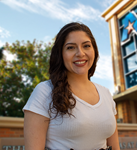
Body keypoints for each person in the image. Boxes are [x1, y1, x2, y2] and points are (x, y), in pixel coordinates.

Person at [23, 22, 120, 150]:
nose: (80, 53)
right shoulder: (44, 91)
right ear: (60, 54)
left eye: (86, 46)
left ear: (94, 51)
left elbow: (114, 147)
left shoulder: (106, 94)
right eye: (70, 47)